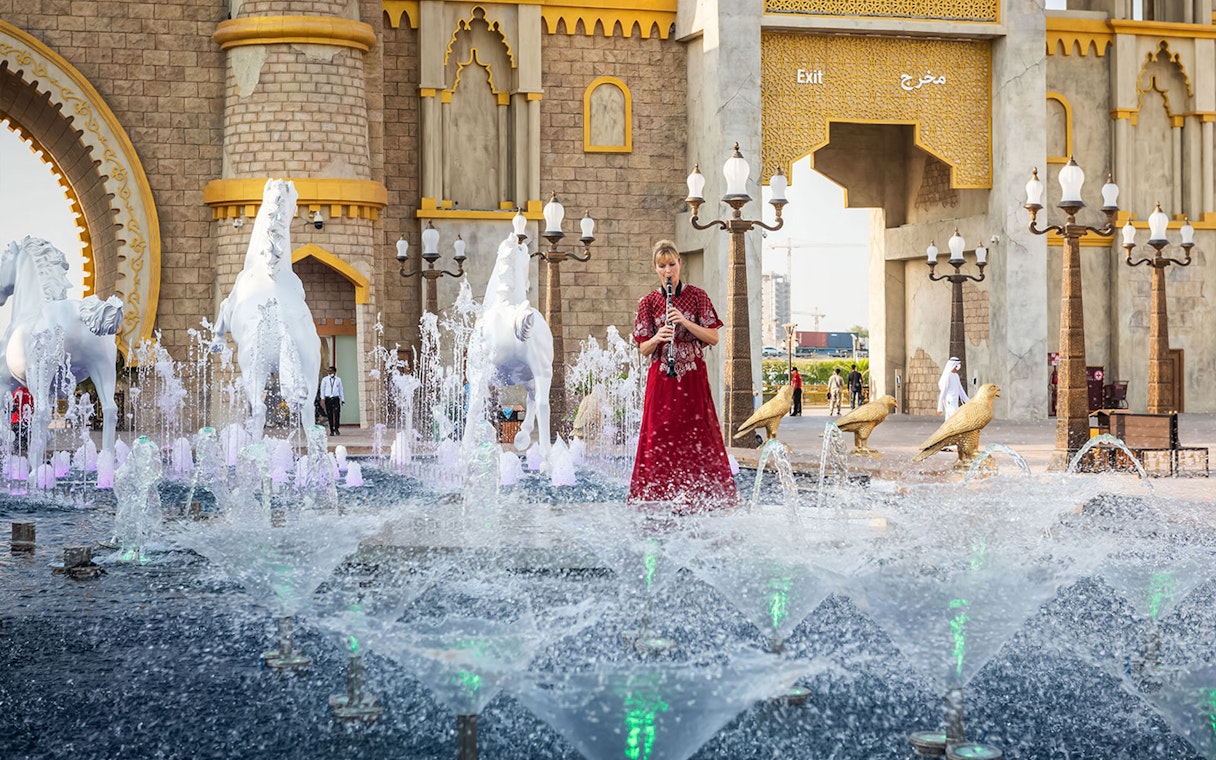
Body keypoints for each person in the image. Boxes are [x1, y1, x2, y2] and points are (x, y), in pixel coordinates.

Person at [628, 240, 736, 511]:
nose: (668, 270)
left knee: (697, 432)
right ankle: (657, 494)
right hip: (662, 376)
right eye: (662, 266)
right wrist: (657, 337)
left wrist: (684, 322)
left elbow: (713, 337)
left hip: (692, 376)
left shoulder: (698, 296)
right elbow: (643, 349)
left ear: (680, 264)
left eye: (672, 264)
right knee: (658, 433)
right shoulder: (648, 302)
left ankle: (701, 495)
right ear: (655, 268)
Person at [320, 365, 344, 435]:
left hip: (336, 398)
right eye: (329, 371)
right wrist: (322, 398)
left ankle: (336, 428)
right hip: (328, 398)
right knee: (329, 414)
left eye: (331, 371)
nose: (330, 372)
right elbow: (322, 389)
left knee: (337, 413)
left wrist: (342, 399)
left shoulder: (338, 379)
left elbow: (341, 389)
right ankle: (331, 430)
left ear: (334, 372)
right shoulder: (325, 379)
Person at [11, 385, 33, 456]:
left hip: (16, 421)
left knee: (17, 446)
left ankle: (19, 461)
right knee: (27, 445)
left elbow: (12, 407)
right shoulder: (32, 392)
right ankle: (26, 461)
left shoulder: (17, 391)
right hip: (28, 422)